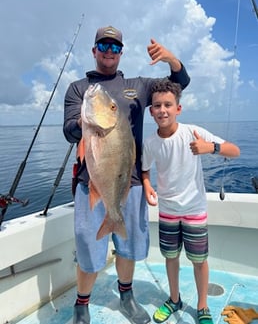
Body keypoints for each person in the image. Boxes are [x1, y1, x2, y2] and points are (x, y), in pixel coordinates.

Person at [63, 25, 190, 324]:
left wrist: (172, 60)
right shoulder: (79, 89)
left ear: (121, 53)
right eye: (103, 46)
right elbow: (69, 132)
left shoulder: (139, 85)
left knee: (128, 248)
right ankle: (82, 304)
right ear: (94, 51)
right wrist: (87, 124)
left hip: (129, 182)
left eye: (115, 47)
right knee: (87, 246)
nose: (109, 52)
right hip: (89, 182)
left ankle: (126, 295)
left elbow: (179, 83)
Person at [141, 79, 240, 324]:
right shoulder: (150, 142)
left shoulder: (192, 131)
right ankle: (174, 300)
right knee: (171, 257)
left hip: (195, 209)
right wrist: (146, 185)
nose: (162, 110)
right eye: (157, 106)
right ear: (151, 111)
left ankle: (203, 305)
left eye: (168, 104)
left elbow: (234, 150)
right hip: (167, 211)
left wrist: (211, 147)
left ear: (178, 108)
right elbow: (144, 170)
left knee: (199, 261)